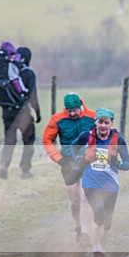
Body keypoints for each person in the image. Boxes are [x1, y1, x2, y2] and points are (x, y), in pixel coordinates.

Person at [71, 108, 129, 257]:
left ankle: (102, 246)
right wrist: (78, 158)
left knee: (107, 221)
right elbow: (74, 147)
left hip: (110, 185)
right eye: (100, 122)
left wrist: (117, 163)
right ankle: (96, 248)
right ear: (95, 122)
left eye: (106, 122)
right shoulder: (86, 136)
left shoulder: (118, 140)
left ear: (111, 123)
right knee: (99, 214)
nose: (103, 126)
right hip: (90, 183)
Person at [42, 93, 96, 242]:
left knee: (86, 198)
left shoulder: (93, 117)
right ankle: (79, 225)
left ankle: (85, 232)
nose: (72, 114)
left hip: (87, 163)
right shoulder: (57, 120)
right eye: (69, 111)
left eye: (75, 110)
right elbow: (47, 140)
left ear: (81, 106)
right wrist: (58, 159)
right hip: (68, 163)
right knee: (75, 201)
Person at [0, 46, 40, 179]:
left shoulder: (7, 71)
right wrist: (37, 114)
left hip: (7, 110)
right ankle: (25, 170)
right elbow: (32, 96)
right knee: (28, 140)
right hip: (23, 112)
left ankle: (4, 166)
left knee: (9, 140)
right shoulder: (28, 74)